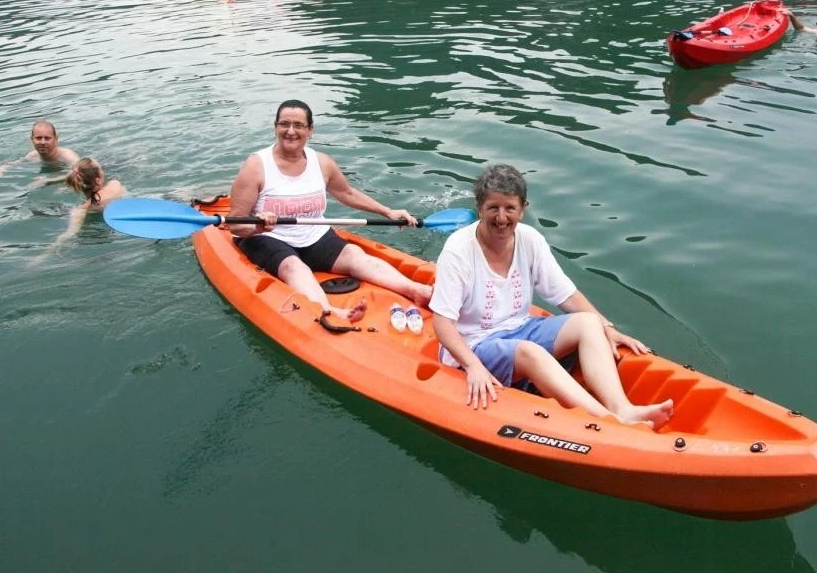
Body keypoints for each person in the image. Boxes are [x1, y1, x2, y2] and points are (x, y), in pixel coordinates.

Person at [429, 163, 674, 429]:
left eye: (510, 208)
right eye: (493, 208)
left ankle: (622, 408)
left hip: (520, 328)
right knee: (530, 352)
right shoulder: (459, 250)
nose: (501, 217)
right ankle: (609, 422)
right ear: (480, 209)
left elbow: (565, 294)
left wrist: (608, 327)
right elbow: (442, 323)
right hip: (474, 343)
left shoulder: (529, 240)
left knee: (589, 322)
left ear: (523, 209)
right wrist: (473, 366)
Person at [228, 100, 433, 322]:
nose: (290, 131)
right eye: (284, 124)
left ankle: (415, 290)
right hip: (269, 237)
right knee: (293, 266)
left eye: (298, 125)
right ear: (275, 127)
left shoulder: (322, 163)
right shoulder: (256, 166)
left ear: (310, 130)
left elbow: (347, 193)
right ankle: (330, 312)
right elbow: (235, 225)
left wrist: (388, 212)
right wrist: (258, 226)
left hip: (313, 235)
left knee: (354, 255)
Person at [49, 157, 126, 250]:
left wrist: (45, 254)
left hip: (99, 232)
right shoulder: (115, 185)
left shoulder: (82, 209)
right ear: (98, 181)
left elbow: (69, 234)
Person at [0, 119, 80, 184]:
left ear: (55, 139)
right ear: (32, 139)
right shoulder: (32, 156)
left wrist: (47, 180)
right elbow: (11, 164)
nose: (43, 142)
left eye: (47, 138)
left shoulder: (68, 156)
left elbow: (82, 173)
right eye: (38, 138)